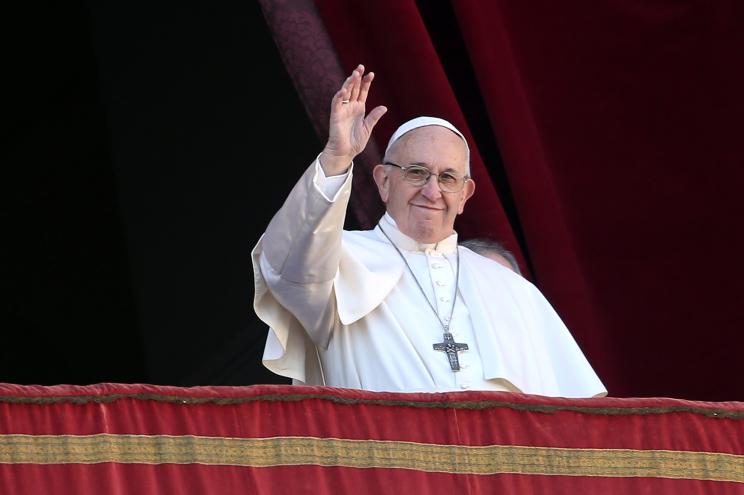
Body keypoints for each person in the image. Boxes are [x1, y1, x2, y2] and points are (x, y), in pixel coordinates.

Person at [252, 64, 606, 397]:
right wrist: (336, 157)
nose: (432, 191)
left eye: (448, 178)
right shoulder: (337, 264)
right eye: (416, 172)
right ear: (384, 181)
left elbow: (569, 420)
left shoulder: (512, 289)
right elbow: (286, 264)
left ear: (465, 194)